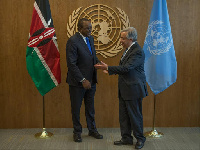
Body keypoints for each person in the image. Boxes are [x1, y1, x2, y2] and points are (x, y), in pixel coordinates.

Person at [94, 27, 148, 149]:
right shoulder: (128, 49)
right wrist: (110, 70)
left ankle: (140, 139)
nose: (120, 41)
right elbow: (125, 69)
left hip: (133, 89)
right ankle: (126, 138)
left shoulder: (137, 51)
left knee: (135, 116)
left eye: (122, 38)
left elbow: (127, 68)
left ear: (131, 38)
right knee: (123, 116)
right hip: (124, 89)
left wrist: (108, 68)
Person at [66, 18, 103, 142]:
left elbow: (92, 56)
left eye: (91, 28)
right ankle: (77, 132)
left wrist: (99, 63)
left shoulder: (90, 38)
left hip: (91, 81)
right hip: (78, 83)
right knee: (76, 109)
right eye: (88, 28)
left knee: (90, 108)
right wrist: (82, 80)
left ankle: (92, 130)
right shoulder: (73, 41)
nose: (90, 30)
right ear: (80, 29)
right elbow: (71, 64)